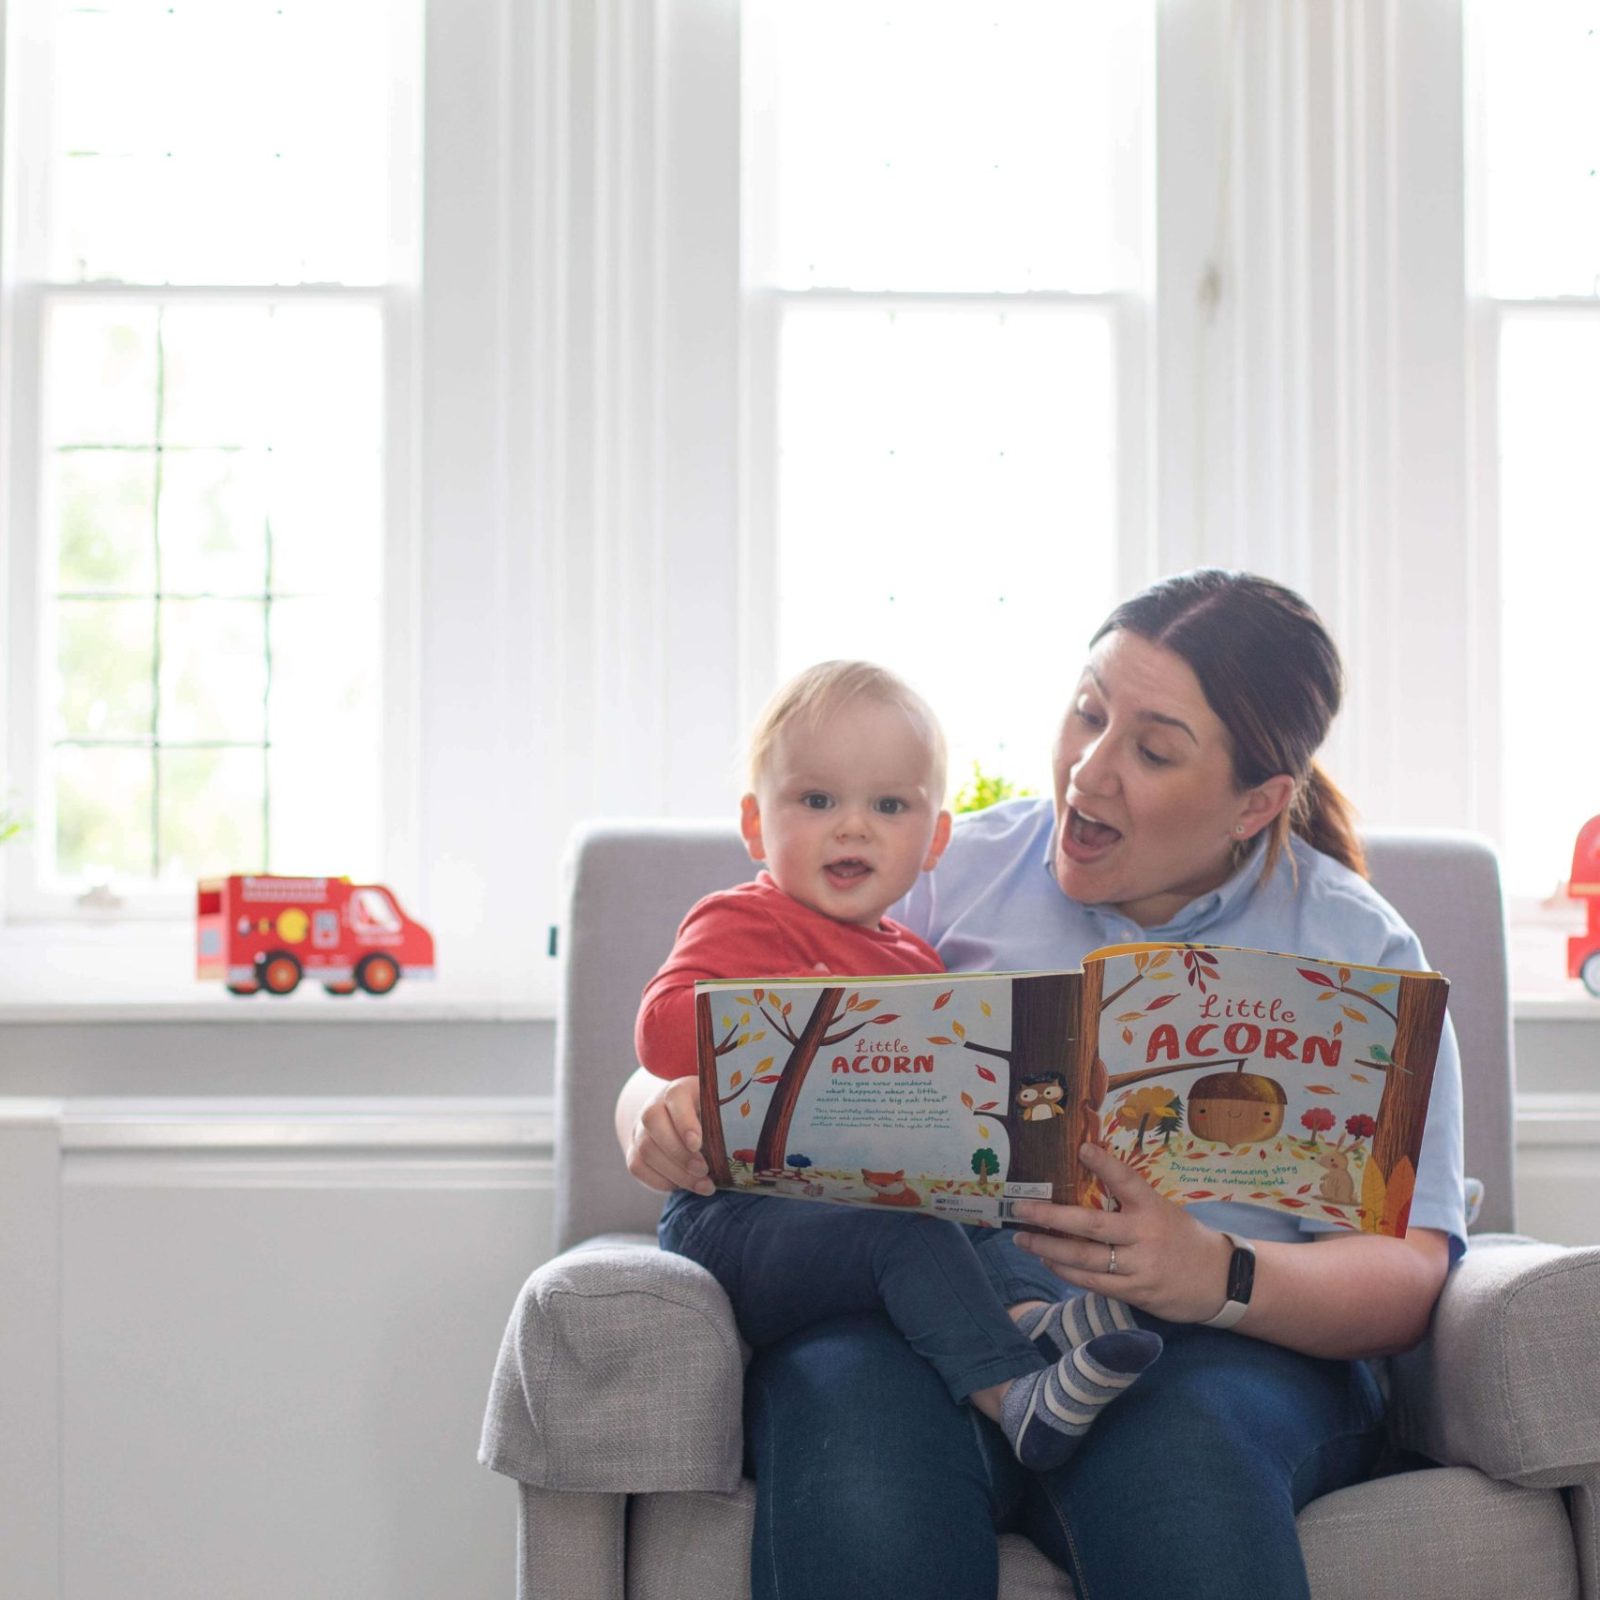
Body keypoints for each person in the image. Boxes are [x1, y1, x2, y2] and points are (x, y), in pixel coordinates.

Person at [615, 571, 1467, 1600]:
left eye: (1151, 749)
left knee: (1177, 1461)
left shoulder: (1358, 949)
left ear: (1258, 800)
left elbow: (1410, 1271)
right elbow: (717, 1026)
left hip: (1214, 1351)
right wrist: (646, 1108)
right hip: (913, 1320)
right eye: (1086, 711)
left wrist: (1216, 1274)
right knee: (853, 1434)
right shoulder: (942, 864)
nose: (1088, 771)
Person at [635, 659, 1160, 1472]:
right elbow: (660, 1035)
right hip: (737, 1219)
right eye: (817, 801)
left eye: (888, 805)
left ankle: (1035, 1321)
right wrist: (794, 1014)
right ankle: (1013, 1398)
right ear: (754, 824)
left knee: (1001, 1216)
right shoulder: (743, 918)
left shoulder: (915, 962)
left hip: (860, 1208)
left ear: (935, 839)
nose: (853, 828)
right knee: (907, 1232)